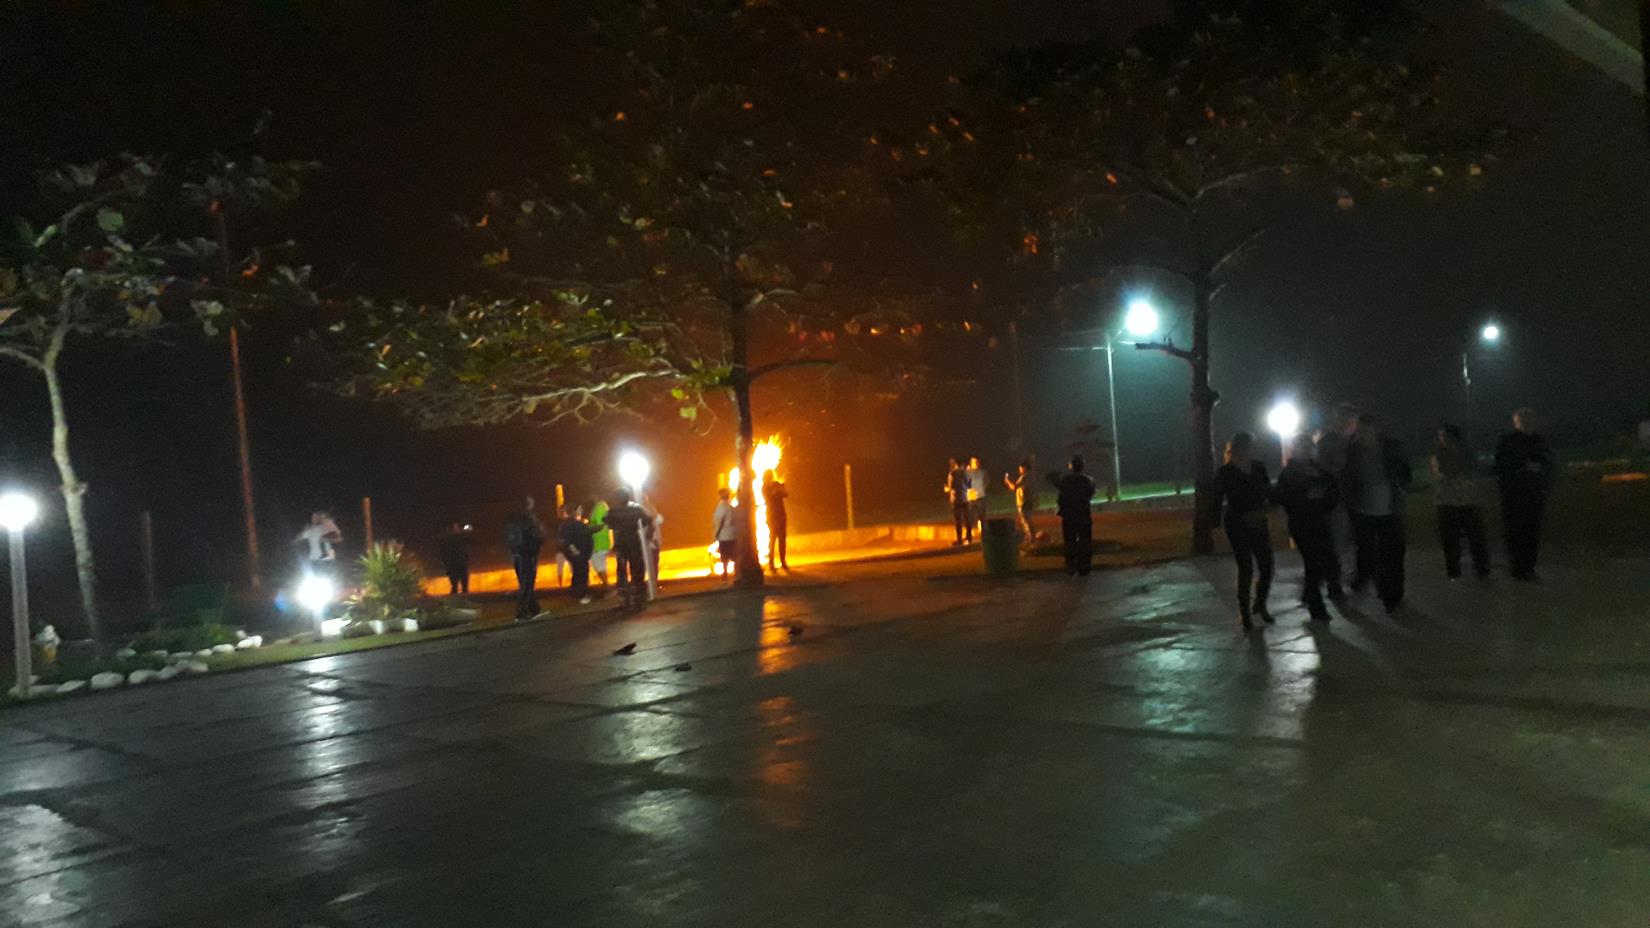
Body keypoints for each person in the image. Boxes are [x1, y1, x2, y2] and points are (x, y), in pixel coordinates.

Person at [1343, 414, 1412, 614]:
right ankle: (1383, 591)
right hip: (1365, 513)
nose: (1364, 435)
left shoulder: (1391, 447)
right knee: (1370, 556)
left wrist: (1401, 482)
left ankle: (1394, 595)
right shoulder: (1353, 451)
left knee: (1394, 555)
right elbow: (1347, 478)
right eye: (1361, 431)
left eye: (1367, 430)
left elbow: (1405, 471)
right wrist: (1352, 503)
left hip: (1391, 510)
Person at [1213, 433, 1275, 630]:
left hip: (1258, 519)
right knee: (1245, 567)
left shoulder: (1258, 467)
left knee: (1267, 565)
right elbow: (1217, 499)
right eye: (1250, 446)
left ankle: (1261, 602)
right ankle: (1245, 612)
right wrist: (1216, 526)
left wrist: (1271, 505)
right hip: (1237, 522)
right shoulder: (1226, 472)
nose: (1253, 449)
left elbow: (1267, 490)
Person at [1275, 434, 1341, 622]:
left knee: (1328, 560)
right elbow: (1284, 498)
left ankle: (1316, 592)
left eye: (1308, 447)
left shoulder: (1319, 470)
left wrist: (1322, 500)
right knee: (1314, 563)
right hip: (1302, 523)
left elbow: (1333, 490)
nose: (1306, 451)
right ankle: (1316, 605)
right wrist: (1306, 498)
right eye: (1302, 448)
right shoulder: (1289, 473)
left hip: (1319, 521)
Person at [1494, 408, 1555, 581]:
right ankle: (1517, 568)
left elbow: (1548, 462)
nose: (1527, 423)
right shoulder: (1507, 440)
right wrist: (1523, 466)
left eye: (1529, 419)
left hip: (1534, 493)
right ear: (1516, 422)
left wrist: (1542, 474)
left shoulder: (1539, 441)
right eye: (1523, 420)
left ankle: (1528, 567)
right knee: (1514, 531)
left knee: (1531, 532)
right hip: (1513, 494)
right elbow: (1501, 464)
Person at [1432, 423, 1490, 581]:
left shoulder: (1467, 452)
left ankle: (1482, 569)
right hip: (1447, 501)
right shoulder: (1439, 455)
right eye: (1441, 436)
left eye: (1445, 436)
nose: (1443, 439)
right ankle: (1454, 572)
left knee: (1476, 538)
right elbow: (1443, 473)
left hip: (1467, 500)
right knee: (1450, 540)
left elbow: (1471, 469)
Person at [1314, 403, 1359, 591]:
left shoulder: (1356, 442)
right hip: (1337, 500)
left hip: (1355, 499)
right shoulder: (1328, 443)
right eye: (1347, 420)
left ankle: (1355, 575)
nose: (1351, 424)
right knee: (1337, 542)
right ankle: (1334, 579)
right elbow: (1321, 469)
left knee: (1357, 541)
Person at [1046, 455, 1096, 576]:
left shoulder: (1065, 480)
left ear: (1071, 466)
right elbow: (1090, 494)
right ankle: (1084, 567)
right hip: (1084, 515)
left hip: (1069, 516)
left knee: (1069, 542)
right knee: (1085, 541)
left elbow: (1055, 482)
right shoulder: (1089, 480)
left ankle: (1071, 566)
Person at [603, 488, 651, 607]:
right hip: (634, 541)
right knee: (637, 569)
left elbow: (606, 521)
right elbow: (647, 520)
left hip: (620, 543)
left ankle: (624, 597)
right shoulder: (635, 509)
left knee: (621, 570)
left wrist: (617, 526)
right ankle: (638, 595)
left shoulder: (613, 511)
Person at [503, 495, 547, 620]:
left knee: (524, 582)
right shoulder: (529, 517)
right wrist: (541, 539)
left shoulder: (511, 518)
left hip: (515, 553)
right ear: (529, 504)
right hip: (528, 553)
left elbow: (506, 536)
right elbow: (536, 534)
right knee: (527, 583)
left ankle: (534, 608)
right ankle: (521, 612)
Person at [557, 506, 594, 604]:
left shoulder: (566, 524)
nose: (580, 512)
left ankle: (575, 593)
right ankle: (582, 595)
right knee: (582, 574)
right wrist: (575, 550)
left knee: (577, 573)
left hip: (576, 553)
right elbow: (568, 540)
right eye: (578, 510)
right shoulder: (573, 524)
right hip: (580, 553)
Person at [294, 510, 343, 575]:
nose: (313, 519)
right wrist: (304, 530)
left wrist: (327, 539)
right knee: (317, 579)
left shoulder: (327, 527)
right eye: (312, 517)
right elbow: (296, 540)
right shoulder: (310, 530)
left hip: (328, 559)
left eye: (315, 517)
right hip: (314, 560)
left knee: (331, 579)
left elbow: (339, 539)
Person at [761, 470, 790, 572]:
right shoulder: (765, 487)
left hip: (781, 514)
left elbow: (785, 494)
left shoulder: (776, 484)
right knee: (772, 540)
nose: (770, 477)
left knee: (782, 539)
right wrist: (777, 491)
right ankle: (771, 564)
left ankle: (783, 561)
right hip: (772, 516)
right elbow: (769, 497)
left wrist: (782, 488)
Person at [437, 521, 473, 596]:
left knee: (459, 584)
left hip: (457, 562)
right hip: (455, 563)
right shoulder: (451, 538)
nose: (457, 529)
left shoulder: (449, 538)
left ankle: (461, 594)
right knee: (457, 584)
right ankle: (460, 595)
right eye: (455, 527)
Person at [712, 487, 740, 581]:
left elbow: (718, 522)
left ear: (720, 496)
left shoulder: (721, 507)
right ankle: (737, 573)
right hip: (733, 534)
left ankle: (725, 574)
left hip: (724, 535)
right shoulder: (732, 507)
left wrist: (715, 535)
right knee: (734, 555)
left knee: (724, 556)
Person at [945, 458, 973, 545]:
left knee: (958, 520)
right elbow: (969, 485)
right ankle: (969, 537)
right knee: (967, 518)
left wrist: (947, 489)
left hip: (956, 499)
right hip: (965, 498)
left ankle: (959, 539)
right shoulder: (966, 473)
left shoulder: (952, 474)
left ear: (956, 464)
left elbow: (952, 487)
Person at [1004, 462, 1034, 542]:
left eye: (1021, 468)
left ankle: (1031, 538)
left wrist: (1007, 481)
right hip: (1027, 501)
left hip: (1024, 502)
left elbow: (1014, 487)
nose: (1019, 469)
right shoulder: (1027, 477)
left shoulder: (1024, 477)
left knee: (1025, 521)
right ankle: (1029, 537)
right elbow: (1015, 488)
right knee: (1027, 520)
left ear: (1025, 468)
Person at [588, 498, 612, 591]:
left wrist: (588, 528)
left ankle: (607, 587)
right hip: (601, 542)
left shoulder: (599, 508)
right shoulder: (601, 507)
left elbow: (599, 525)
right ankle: (606, 586)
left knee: (598, 564)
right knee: (600, 565)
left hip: (599, 543)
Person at [966, 456, 989, 537]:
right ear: (971, 463)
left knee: (982, 517)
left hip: (980, 497)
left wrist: (981, 489)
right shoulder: (967, 472)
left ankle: (984, 535)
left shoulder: (983, 472)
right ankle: (968, 535)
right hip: (971, 498)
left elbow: (986, 482)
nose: (976, 463)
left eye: (977, 462)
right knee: (969, 518)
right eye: (974, 462)